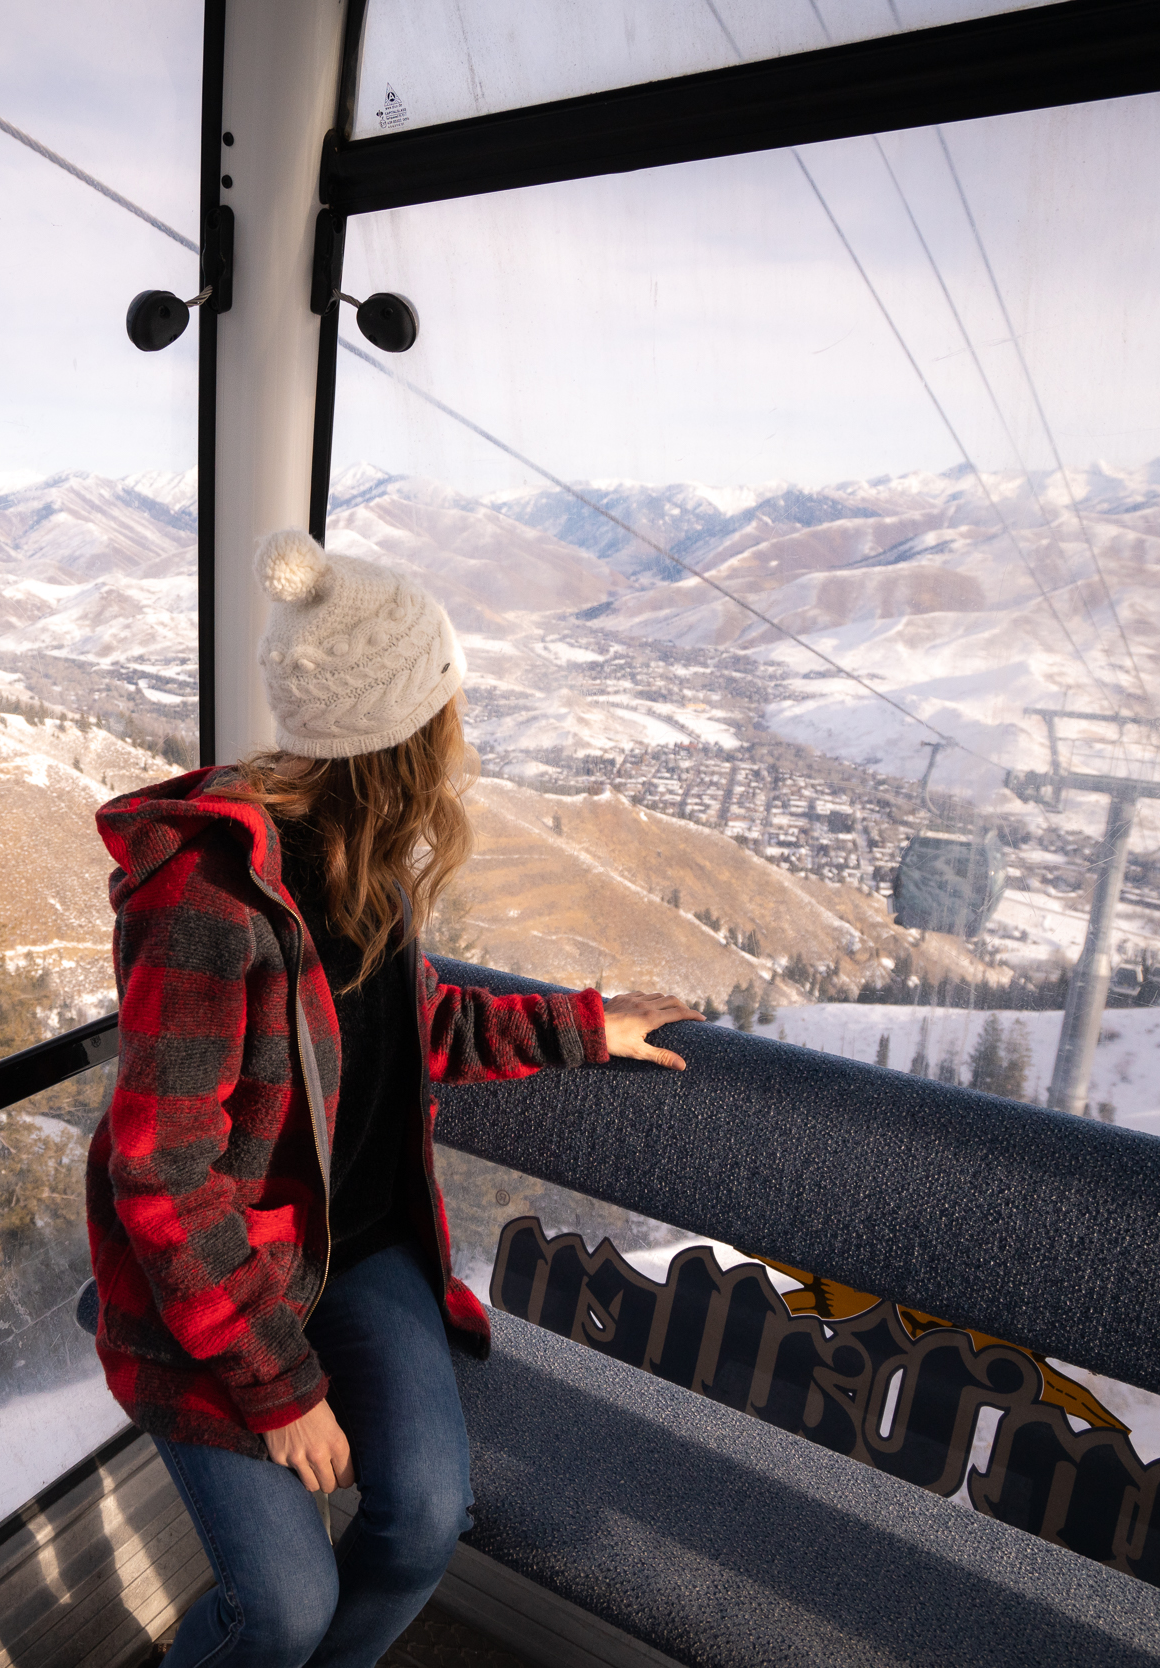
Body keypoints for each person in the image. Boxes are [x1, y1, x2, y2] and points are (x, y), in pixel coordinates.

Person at [85, 528, 701, 1668]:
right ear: (400, 733)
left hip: (361, 1252)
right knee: (280, 1611)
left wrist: (579, 1026)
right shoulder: (213, 904)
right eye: (445, 708)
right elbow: (161, 1171)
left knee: (422, 1521)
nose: (458, 734)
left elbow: (404, 1030)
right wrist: (278, 1390)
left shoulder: (363, 864)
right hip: (227, 1286)